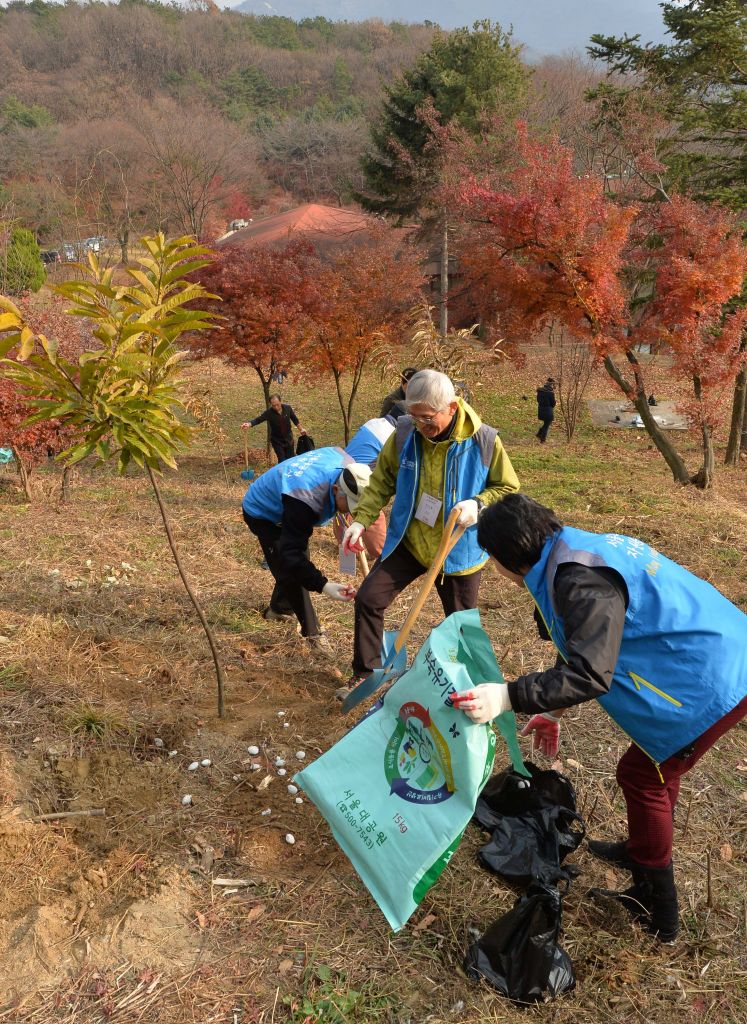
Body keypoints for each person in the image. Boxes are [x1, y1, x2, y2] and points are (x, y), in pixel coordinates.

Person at [453, 493, 747, 943]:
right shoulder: (569, 550)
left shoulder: (578, 579)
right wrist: (552, 708)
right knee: (653, 764)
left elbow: (590, 672)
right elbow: (581, 636)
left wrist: (509, 696)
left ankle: (658, 905)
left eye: (492, 559)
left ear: (508, 557)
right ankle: (642, 849)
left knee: (643, 775)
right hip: (719, 650)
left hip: (712, 679)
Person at [340, 369, 520, 699]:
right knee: (369, 598)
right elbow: (381, 480)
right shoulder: (406, 433)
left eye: (427, 417)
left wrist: (478, 505)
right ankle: (365, 675)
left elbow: (508, 487)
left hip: (458, 549)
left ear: (451, 407)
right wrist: (360, 520)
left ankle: (467, 690)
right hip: (411, 540)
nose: (421, 424)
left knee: (461, 627)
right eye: (414, 415)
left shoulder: (484, 441)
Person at [242, 449, 372, 648]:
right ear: (336, 489)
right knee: (291, 566)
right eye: (351, 507)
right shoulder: (304, 500)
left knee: (295, 562)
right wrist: (324, 586)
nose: (352, 512)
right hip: (263, 512)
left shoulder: (351, 468)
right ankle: (313, 633)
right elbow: (291, 555)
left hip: (290, 497)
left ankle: (278, 609)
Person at [333, 415, 397, 562]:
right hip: (356, 477)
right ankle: (379, 554)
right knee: (373, 512)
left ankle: (345, 547)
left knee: (341, 507)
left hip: (342, 469)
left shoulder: (373, 423)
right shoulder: (395, 437)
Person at [242, 395, 305, 464]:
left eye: (277, 405)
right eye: (273, 405)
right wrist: (249, 424)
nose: (276, 407)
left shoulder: (287, 408)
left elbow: (295, 420)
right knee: (282, 461)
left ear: (280, 401)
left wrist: (301, 429)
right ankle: (281, 474)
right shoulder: (269, 413)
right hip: (277, 441)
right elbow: (258, 420)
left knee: (290, 460)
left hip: (289, 439)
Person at [536, 377, 556, 443]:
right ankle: (542, 439)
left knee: (546, 423)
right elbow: (553, 404)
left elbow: (538, 400)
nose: (554, 386)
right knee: (547, 424)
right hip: (548, 411)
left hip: (540, 410)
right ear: (551, 385)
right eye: (553, 385)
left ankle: (539, 434)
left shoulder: (540, 391)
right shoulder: (550, 393)